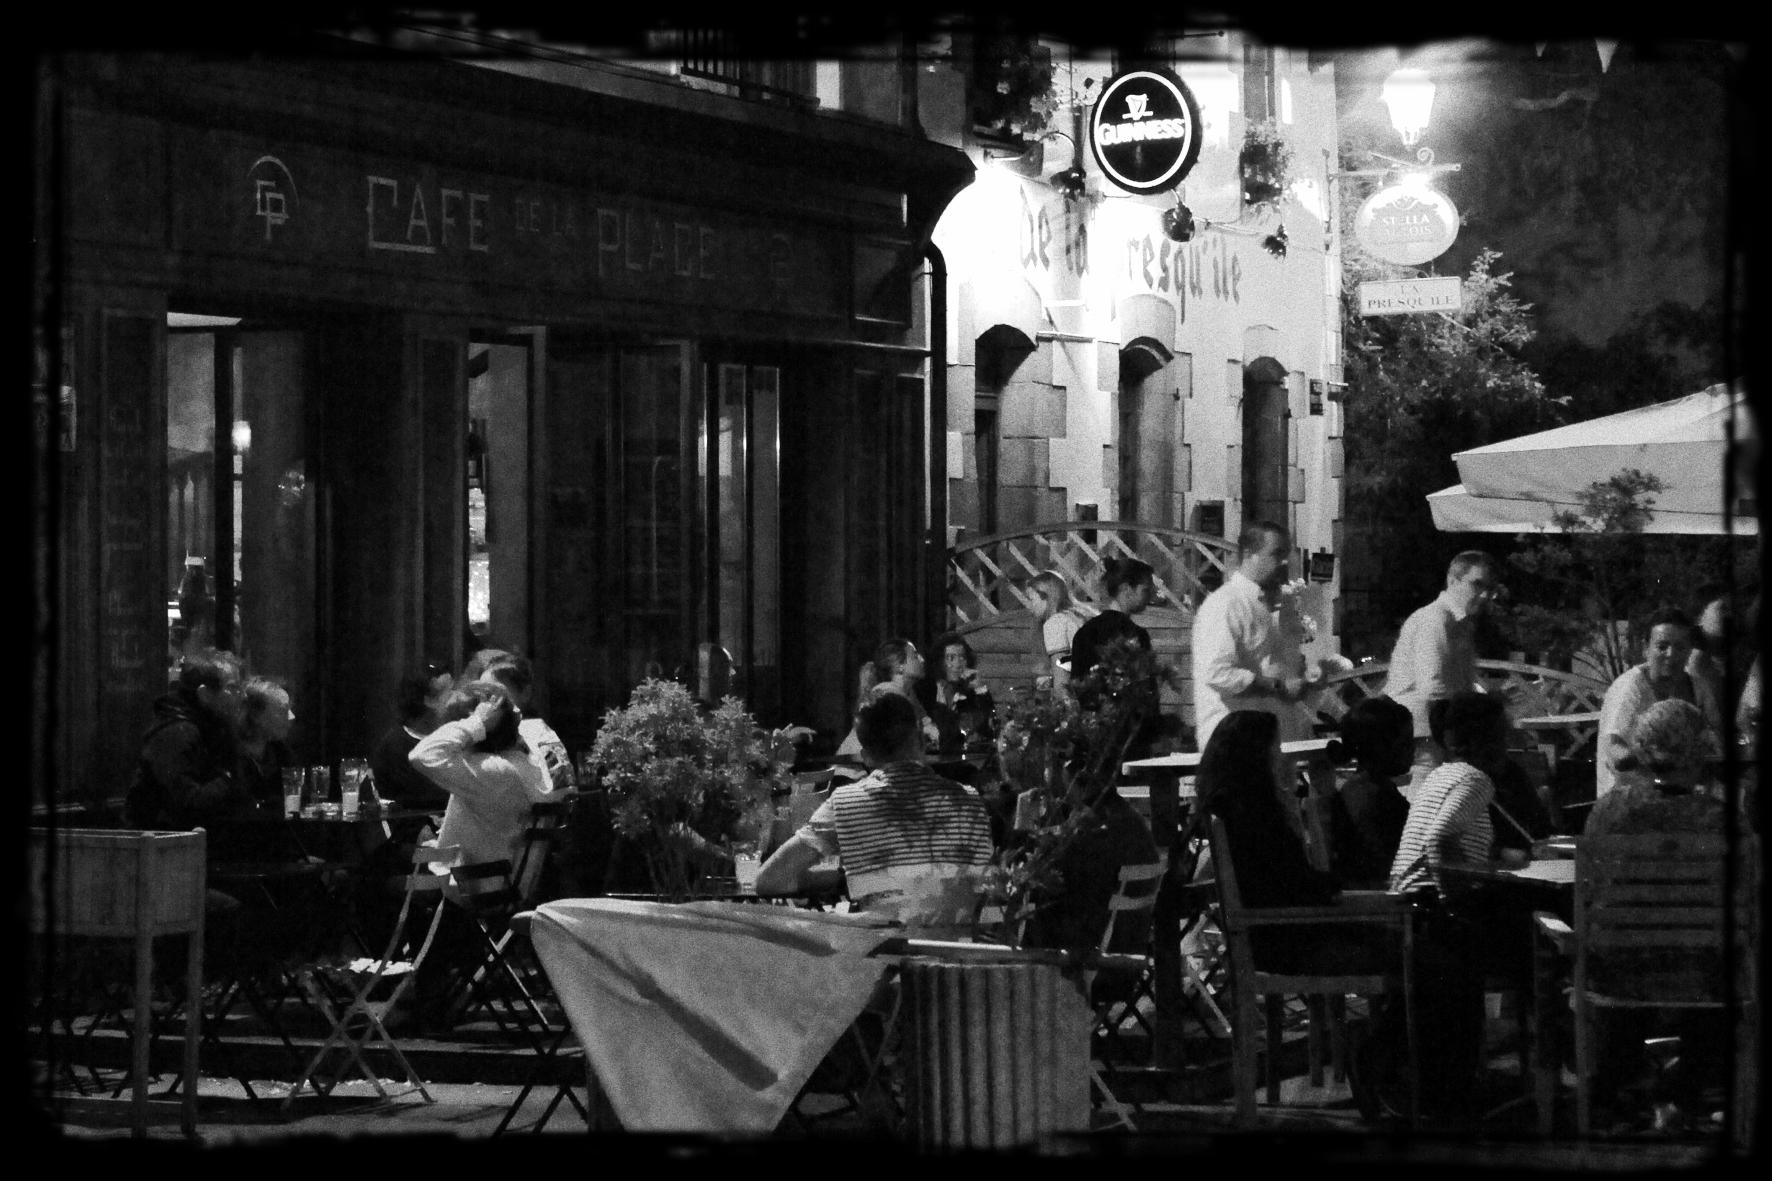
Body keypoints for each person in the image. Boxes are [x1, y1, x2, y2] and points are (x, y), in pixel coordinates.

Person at [1582, 699, 1736, 1131]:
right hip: (1701, 978)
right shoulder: (1719, 819)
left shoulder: (1608, 812)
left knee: (1627, 950)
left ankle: (1620, 1085)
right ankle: (1691, 1087)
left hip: (1619, 974)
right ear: (1699, 752)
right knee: (1713, 954)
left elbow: (1592, 889)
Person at [1386, 692, 1528, 1120]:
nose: (1510, 744)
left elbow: (1458, 839)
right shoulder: (1475, 780)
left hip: (1406, 910)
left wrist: (1504, 857)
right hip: (1430, 909)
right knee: (1537, 940)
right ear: (1487, 740)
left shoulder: (1443, 775)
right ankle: (1547, 1063)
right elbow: (1439, 840)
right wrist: (1456, 906)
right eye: (1504, 736)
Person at [756, 692, 993, 934]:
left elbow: (769, 881)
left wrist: (842, 878)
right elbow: (984, 886)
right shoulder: (969, 800)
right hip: (958, 956)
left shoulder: (847, 802)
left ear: (866, 757)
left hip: (884, 955)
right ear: (921, 742)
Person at [1197, 711, 1399, 974]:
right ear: (1258, 756)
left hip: (1268, 938)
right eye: (1277, 748)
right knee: (1406, 952)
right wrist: (1347, 888)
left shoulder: (1228, 809)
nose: (1282, 757)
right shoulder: (1258, 817)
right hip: (1293, 941)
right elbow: (1294, 882)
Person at [1384, 551, 1502, 794]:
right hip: (1423, 736)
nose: (1485, 595)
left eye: (1490, 588)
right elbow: (1432, 687)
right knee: (1423, 806)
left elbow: (1462, 683)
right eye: (1477, 584)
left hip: (1438, 731)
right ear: (1453, 581)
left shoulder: (1461, 624)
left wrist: (1488, 700)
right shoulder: (1435, 619)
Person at [1190, 521, 1306, 753]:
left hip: (1264, 740)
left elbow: (1271, 666)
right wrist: (1276, 686)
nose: (1284, 563)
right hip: (1233, 743)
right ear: (1249, 554)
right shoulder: (1226, 604)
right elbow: (1216, 672)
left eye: (1286, 555)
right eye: (1276, 554)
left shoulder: (1262, 604)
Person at [1596, 607, 1724, 798]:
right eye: (1662, 646)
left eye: (1680, 647)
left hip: (1682, 794)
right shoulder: (1630, 687)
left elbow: (1717, 735)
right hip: (1628, 798)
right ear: (1646, 647)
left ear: (1690, 650)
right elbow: (1614, 751)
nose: (1671, 654)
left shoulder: (1697, 687)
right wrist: (1656, 755)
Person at [126, 647, 253, 831]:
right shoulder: (176, 733)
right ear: (205, 694)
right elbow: (187, 804)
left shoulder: (216, 728)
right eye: (233, 688)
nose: (243, 695)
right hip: (164, 851)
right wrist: (229, 776)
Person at [1326, 695, 1414, 889]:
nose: (1413, 750)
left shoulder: (1360, 788)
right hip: (1379, 900)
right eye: (1406, 742)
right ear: (1381, 746)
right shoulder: (1373, 796)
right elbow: (1384, 861)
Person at [470, 649, 574, 791]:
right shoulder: (488, 731)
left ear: (525, 693)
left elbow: (559, 791)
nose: (484, 703)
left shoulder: (532, 732)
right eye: (481, 695)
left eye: (494, 694)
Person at [835, 638, 940, 762]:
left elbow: (930, 731)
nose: (922, 659)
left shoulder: (908, 694)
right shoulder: (887, 696)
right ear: (899, 666)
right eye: (915, 656)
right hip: (854, 772)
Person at [370, 663, 456, 813]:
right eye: (449, 693)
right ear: (428, 701)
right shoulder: (396, 746)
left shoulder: (453, 737)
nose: (456, 699)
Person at [916, 632, 996, 756]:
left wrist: (980, 688)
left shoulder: (970, 691)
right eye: (950, 658)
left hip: (965, 754)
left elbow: (989, 727)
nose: (958, 664)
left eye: (962, 657)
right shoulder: (926, 688)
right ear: (940, 661)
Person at [1029, 569, 1098, 698]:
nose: (1030, 606)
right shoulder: (1080, 615)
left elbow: (1062, 683)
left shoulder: (1056, 623)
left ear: (1046, 597)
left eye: (1032, 599)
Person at [234, 677, 296, 813]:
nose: (291, 716)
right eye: (283, 710)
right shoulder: (232, 754)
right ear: (256, 716)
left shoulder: (281, 752)